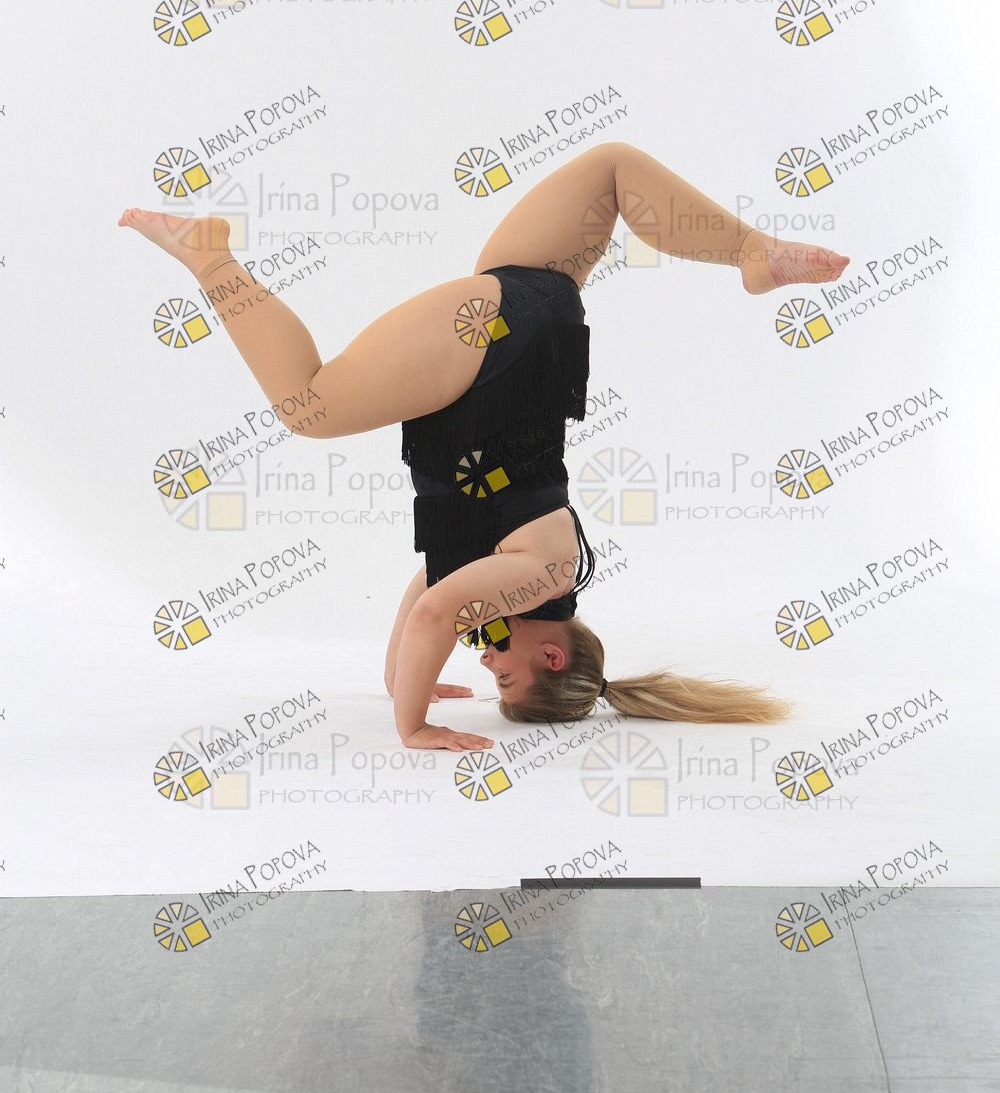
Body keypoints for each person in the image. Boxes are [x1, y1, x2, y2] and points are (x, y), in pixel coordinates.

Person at [118, 140, 849, 753]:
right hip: (489, 348)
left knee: (611, 170)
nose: (489, 657)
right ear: (551, 654)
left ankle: (752, 250)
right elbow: (437, 614)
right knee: (310, 405)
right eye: (506, 674)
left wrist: (402, 676)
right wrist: (412, 725)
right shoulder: (535, 578)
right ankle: (210, 257)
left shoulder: (526, 566)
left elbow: (428, 596)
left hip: (530, 314)